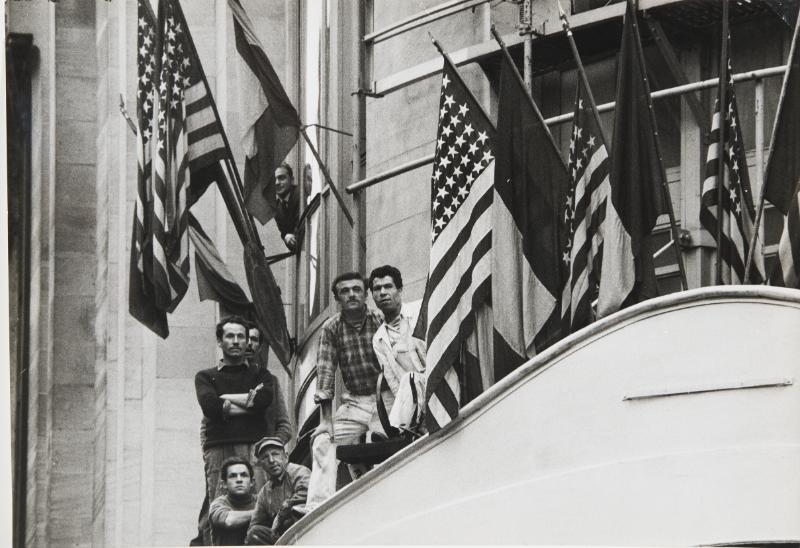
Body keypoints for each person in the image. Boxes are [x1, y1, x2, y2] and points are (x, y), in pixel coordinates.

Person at [194, 316, 276, 545]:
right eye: (230, 336)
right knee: (217, 507)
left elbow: (263, 402)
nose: (238, 341)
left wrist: (226, 402)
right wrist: (248, 404)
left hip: (254, 447)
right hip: (218, 448)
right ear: (220, 341)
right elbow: (210, 407)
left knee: (260, 501)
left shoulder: (261, 375)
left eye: (242, 336)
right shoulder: (205, 376)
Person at [369, 265, 426, 433]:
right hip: (412, 393)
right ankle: (400, 431)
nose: (383, 292)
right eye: (377, 289)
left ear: (399, 289)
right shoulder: (378, 339)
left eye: (388, 286)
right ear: (372, 295)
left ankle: (394, 433)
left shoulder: (419, 310)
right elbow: (394, 383)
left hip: (436, 379)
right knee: (408, 379)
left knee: (411, 377)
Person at [245, 437, 311, 545]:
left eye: (275, 454)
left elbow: (306, 492)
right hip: (284, 539)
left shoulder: (297, 471)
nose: (271, 460)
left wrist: (282, 512)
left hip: (305, 530)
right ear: (262, 465)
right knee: (254, 533)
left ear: (285, 456)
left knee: (295, 515)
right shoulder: (265, 492)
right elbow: (255, 524)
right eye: (266, 457)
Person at [209, 456, 257, 546]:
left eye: (244, 475)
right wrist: (261, 513)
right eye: (233, 476)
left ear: (252, 482)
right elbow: (229, 521)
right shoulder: (218, 504)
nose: (239, 480)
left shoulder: (260, 500)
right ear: (224, 484)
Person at [274, 163, 302, 252]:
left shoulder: (300, 195)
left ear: (292, 180)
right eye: (274, 180)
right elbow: (284, 233)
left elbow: (301, 228)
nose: (277, 183)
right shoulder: (277, 208)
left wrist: (290, 237)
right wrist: (287, 238)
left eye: (282, 178)